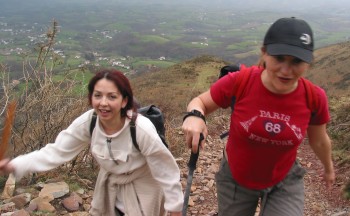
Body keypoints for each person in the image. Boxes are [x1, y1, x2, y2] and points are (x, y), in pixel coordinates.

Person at [182, 17, 335, 216]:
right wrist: (195, 116)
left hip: (284, 179)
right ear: (264, 53)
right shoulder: (240, 82)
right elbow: (200, 102)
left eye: (297, 61)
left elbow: (320, 141)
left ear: (308, 62)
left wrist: (329, 168)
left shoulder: (314, 97)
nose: (286, 70)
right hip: (236, 176)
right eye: (279, 58)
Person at [0, 69, 183, 216]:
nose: (103, 103)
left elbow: (165, 170)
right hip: (109, 185)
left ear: (124, 101)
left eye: (112, 97)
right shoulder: (90, 122)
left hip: (143, 187)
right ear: (91, 98)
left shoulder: (140, 129)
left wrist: (175, 208)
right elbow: (56, 152)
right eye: (98, 95)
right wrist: (15, 164)